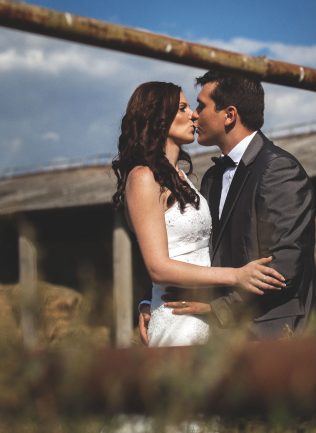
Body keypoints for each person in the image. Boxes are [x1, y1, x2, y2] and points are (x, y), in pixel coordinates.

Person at [141, 71, 316, 340]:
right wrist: (152, 300)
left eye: (201, 105)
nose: (195, 115)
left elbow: (284, 265)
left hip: (279, 333)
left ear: (229, 115)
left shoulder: (278, 169)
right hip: (224, 336)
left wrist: (218, 308)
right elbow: (188, 246)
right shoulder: (211, 178)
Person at [112, 81, 285, 347]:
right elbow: (157, 267)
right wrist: (237, 276)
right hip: (178, 317)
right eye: (182, 108)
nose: (194, 114)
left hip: (208, 313)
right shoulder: (142, 177)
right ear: (158, 116)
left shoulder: (185, 178)